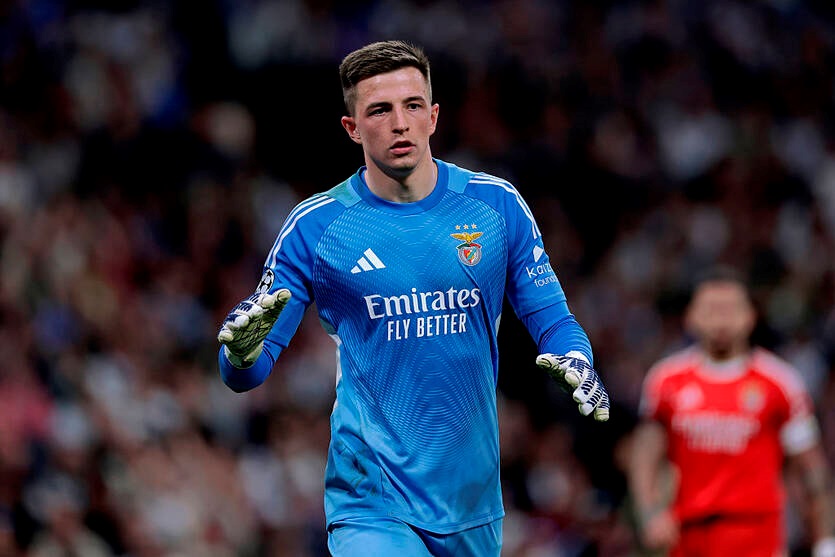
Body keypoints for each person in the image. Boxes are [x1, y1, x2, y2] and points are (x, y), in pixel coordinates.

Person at [215, 39, 610, 556]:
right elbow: (248, 370)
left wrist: (578, 357)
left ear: (433, 117)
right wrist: (241, 354)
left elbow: (553, 320)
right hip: (370, 500)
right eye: (380, 110)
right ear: (352, 128)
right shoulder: (317, 227)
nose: (400, 123)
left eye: (412, 105)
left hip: (471, 502)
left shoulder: (495, 205)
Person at [627, 266, 835, 557]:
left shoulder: (780, 383)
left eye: (730, 309)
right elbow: (645, 455)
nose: (721, 319)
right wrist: (649, 513)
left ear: (751, 316)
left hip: (757, 539)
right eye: (711, 309)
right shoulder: (665, 381)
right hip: (689, 539)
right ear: (691, 317)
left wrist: (825, 542)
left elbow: (811, 469)